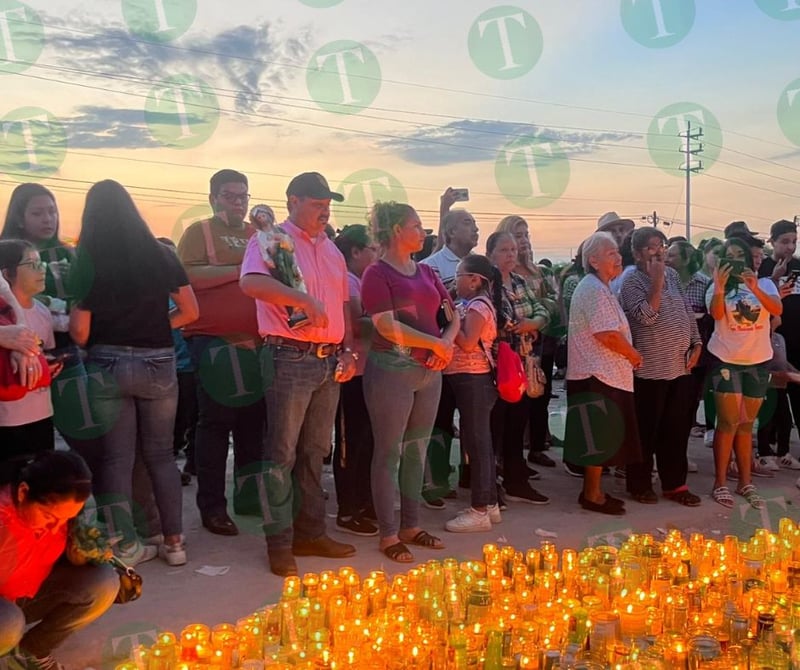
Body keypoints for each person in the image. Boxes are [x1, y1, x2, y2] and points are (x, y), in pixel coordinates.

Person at [69, 180, 198, 566]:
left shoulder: (88, 261)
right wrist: (158, 326)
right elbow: (191, 312)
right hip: (158, 361)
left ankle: (124, 546)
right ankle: (175, 543)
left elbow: (79, 330)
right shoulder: (159, 254)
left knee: (117, 460)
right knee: (161, 456)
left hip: (106, 364)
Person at [240, 171, 358, 578]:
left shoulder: (333, 250)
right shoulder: (272, 241)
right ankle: (279, 543)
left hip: (328, 360)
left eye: (328, 203)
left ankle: (312, 532)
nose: (324, 209)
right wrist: (300, 298)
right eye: (315, 201)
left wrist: (349, 349)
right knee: (282, 454)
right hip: (288, 356)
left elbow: (343, 304)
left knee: (314, 452)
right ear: (292, 201)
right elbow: (251, 283)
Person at [360, 200, 459, 563]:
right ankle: (388, 533)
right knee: (388, 452)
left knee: (416, 449)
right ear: (397, 230)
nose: (423, 232)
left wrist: (444, 344)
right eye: (416, 226)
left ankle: (411, 525)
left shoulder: (427, 272)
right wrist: (435, 343)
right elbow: (385, 325)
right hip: (392, 369)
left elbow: (452, 314)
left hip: (429, 370)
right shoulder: (377, 274)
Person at [177, 169, 265, 537]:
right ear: (213, 197)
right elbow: (188, 277)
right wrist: (241, 269)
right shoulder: (199, 232)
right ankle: (212, 508)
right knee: (215, 426)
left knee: (253, 426)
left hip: (257, 344)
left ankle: (248, 498)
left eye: (243, 196)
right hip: (213, 343)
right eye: (230, 196)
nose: (239, 202)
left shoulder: (256, 235)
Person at [0, 450, 118, 669]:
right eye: (49, 516)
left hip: (25, 595)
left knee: (102, 581)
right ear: (23, 492)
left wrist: (79, 557)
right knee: (7, 623)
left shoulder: (65, 515)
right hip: (5, 611)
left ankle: (30, 652)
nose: (55, 527)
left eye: (66, 519)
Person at [619, 228, 702, 507]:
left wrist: (697, 342)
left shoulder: (674, 276)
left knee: (676, 429)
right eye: (652, 247)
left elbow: (686, 311)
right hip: (650, 370)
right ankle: (640, 484)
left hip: (680, 366)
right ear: (637, 253)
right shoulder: (631, 282)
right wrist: (655, 283)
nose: (658, 252)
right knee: (646, 431)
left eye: (661, 246)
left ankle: (675, 485)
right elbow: (646, 317)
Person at [563, 232, 643, 515]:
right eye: (611, 253)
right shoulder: (592, 288)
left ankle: (595, 490)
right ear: (593, 260)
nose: (618, 257)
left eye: (618, 252)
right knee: (597, 437)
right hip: (597, 374)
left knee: (604, 437)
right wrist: (633, 355)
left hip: (606, 374)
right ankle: (592, 494)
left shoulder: (601, 286)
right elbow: (606, 334)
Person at [706, 237, 781, 509]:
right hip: (726, 359)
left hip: (758, 361)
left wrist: (754, 287)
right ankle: (720, 482)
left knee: (747, 423)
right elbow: (715, 315)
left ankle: (745, 482)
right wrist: (719, 287)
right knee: (727, 423)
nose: (735, 259)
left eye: (740, 254)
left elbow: (776, 309)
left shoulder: (765, 284)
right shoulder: (717, 287)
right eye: (729, 255)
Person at [420, 198, 479, 505]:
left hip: (471, 361)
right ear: (450, 232)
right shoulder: (430, 266)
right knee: (440, 422)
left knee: (472, 422)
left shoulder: (480, 265)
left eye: (476, 225)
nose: (475, 230)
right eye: (468, 224)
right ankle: (435, 482)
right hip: (441, 358)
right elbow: (426, 313)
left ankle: (472, 474)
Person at [486, 231, 550, 505]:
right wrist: (519, 325)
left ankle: (515, 480)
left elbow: (543, 312)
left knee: (516, 422)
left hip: (521, 364)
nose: (511, 254)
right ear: (490, 254)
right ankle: (490, 486)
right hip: (496, 365)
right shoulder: (486, 284)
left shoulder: (521, 281)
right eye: (504, 250)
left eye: (513, 249)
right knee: (493, 427)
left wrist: (532, 325)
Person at [443, 254, 502, 532]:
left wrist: (450, 318)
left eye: (459, 275)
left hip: (474, 377)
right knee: (478, 441)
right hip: (465, 377)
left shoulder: (479, 305)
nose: (456, 281)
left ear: (475, 280)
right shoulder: (470, 304)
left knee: (477, 443)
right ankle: (489, 503)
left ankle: (479, 509)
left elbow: (467, 342)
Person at [495, 215, 559, 470]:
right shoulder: (499, 278)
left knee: (538, 396)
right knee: (509, 408)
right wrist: (531, 318)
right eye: (516, 236)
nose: (522, 242)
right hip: (509, 353)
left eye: (525, 235)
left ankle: (534, 447)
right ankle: (507, 462)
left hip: (538, 345)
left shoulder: (534, 272)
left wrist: (535, 321)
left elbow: (550, 306)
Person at [332, 224, 379, 536]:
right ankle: (348, 510)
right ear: (356, 252)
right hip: (351, 373)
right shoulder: (346, 281)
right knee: (351, 441)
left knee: (369, 440)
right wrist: (393, 320)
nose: (377, 254)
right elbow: (357, 324)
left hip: (372, 371)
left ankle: (366, 500)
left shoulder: (364, 280)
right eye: (373, 248)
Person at [0, 240, 62, 457]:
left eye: (41, 263)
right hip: (7, 418)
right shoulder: (4, 317)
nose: (41, 270)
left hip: (42, 414)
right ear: (7, 274)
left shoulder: (43, 312)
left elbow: (45, 352)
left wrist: (50, 364)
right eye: (32, 264)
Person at [1, 184, 75, 350]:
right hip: (15, 348)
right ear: (19, 219)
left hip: (63, 348)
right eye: (37, 213)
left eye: (52, 211)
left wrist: (77, 281)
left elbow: (84, 306)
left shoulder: (67, 255)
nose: (48, 219)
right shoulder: (4, 254)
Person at [756, 315, 800, 471]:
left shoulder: (779, 338)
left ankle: (783, 454)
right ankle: (764, 455)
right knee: (766, 421)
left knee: (786, 420)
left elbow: (783, 362)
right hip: (765, 386)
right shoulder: (760, 338)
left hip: (780, 386)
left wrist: (795, 374)